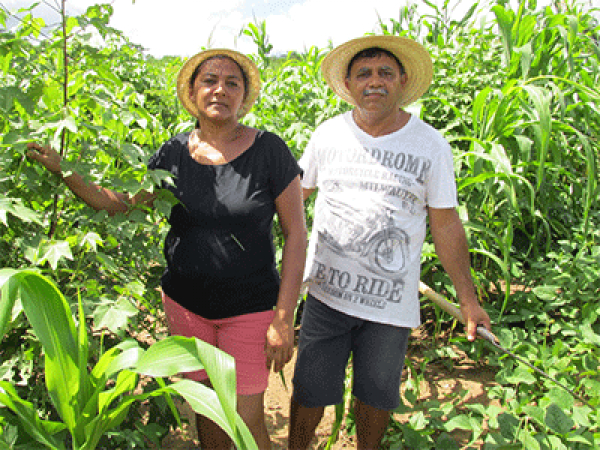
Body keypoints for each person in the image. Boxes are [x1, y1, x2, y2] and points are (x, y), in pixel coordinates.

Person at [27, 48, 307, 450]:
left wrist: (283, 318)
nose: (220, 90)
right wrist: (64, 169)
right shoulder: (173, 153)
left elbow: (296, 234)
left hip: (249, 309)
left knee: (246, 420)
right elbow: (121, 202)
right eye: (209, 80)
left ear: (244, 97)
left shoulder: (270, 151)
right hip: (186, 307)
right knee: (208, 408)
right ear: (193, 93)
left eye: (232, 83)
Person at [288, 35, 492, 450]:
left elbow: (446, 224)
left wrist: (468, 300)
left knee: (377, 394)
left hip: (390, 306)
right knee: (309, 388)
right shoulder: (327, 135)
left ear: (401, 81)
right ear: (348, 84)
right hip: (327, 296)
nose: (374, 82)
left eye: (385, 73)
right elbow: (292, 196)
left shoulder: (430, 144)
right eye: (364, 74)